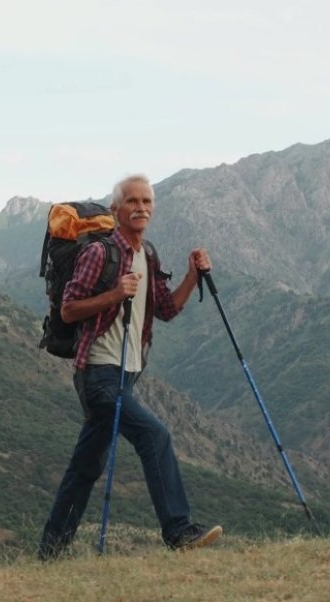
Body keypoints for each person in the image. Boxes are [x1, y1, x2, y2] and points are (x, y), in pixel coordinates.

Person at [38, 174, 222, 558]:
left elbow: (167, 309)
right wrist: (114, 294)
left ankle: (51, 551)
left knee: (85, 467)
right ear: (116, 209)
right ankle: (178, 531)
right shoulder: (100, 254)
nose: (141, 208)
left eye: (147, 202)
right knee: (155, 436)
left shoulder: (147, 254)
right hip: (99, 374)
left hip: (127, 375)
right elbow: (69, 309)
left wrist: (192, 274)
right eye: (132, 201)